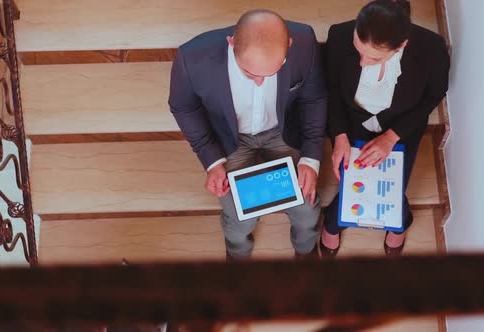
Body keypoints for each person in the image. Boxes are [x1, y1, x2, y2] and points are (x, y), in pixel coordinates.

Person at [168, 10, 327, 260]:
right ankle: (238, 258)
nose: (260, 83)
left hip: (282, 132)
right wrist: (212, 160)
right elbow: (183, 106)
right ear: (231, 43)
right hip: (230, 139)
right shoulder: (192, 58)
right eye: (250, 74)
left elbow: (314, 98)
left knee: (307, 209)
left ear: (290, 45)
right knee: (240, 217)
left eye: (271, 73)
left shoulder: (305, 41)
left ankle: (306, 254)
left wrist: (310, 158)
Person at [321, 0, 450, 257]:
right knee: (352, 176)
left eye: (374, 57)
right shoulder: (338, 36)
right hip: (351, 122)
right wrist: (340, 135)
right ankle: (337, 223)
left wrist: (391, 137)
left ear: (401, 45)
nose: (362, 62)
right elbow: (331, 90)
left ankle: (345, 221)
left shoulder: (432, 49)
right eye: (359, 50)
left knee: (393, 184)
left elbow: (433, 95)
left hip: (400, 126)